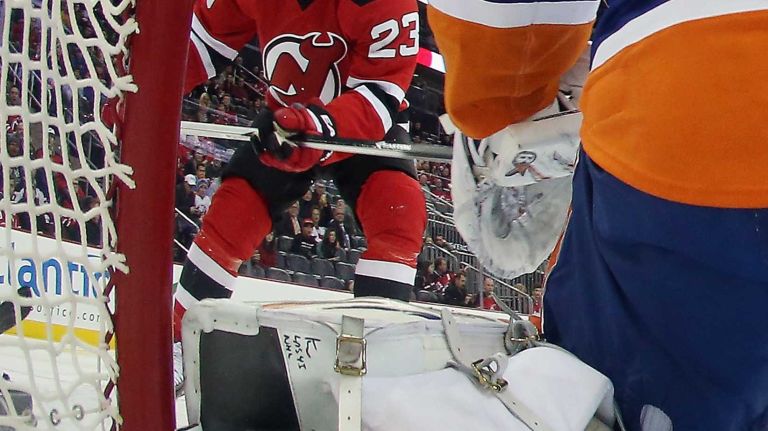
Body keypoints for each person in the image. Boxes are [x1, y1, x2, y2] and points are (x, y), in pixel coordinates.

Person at [427, 1, 768, 429]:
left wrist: (499, 104)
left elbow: (505, 18)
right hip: (698, 94)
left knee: (622, 397)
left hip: (695, 94)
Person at [173, 0, 427, 388]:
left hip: (366, 124)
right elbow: (202, 43)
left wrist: (319, 126)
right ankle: (176, 343)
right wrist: (144, 86)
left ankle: (379, 361)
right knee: (232, 214)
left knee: (399, 215)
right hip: (287, 121)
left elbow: (380, 94)